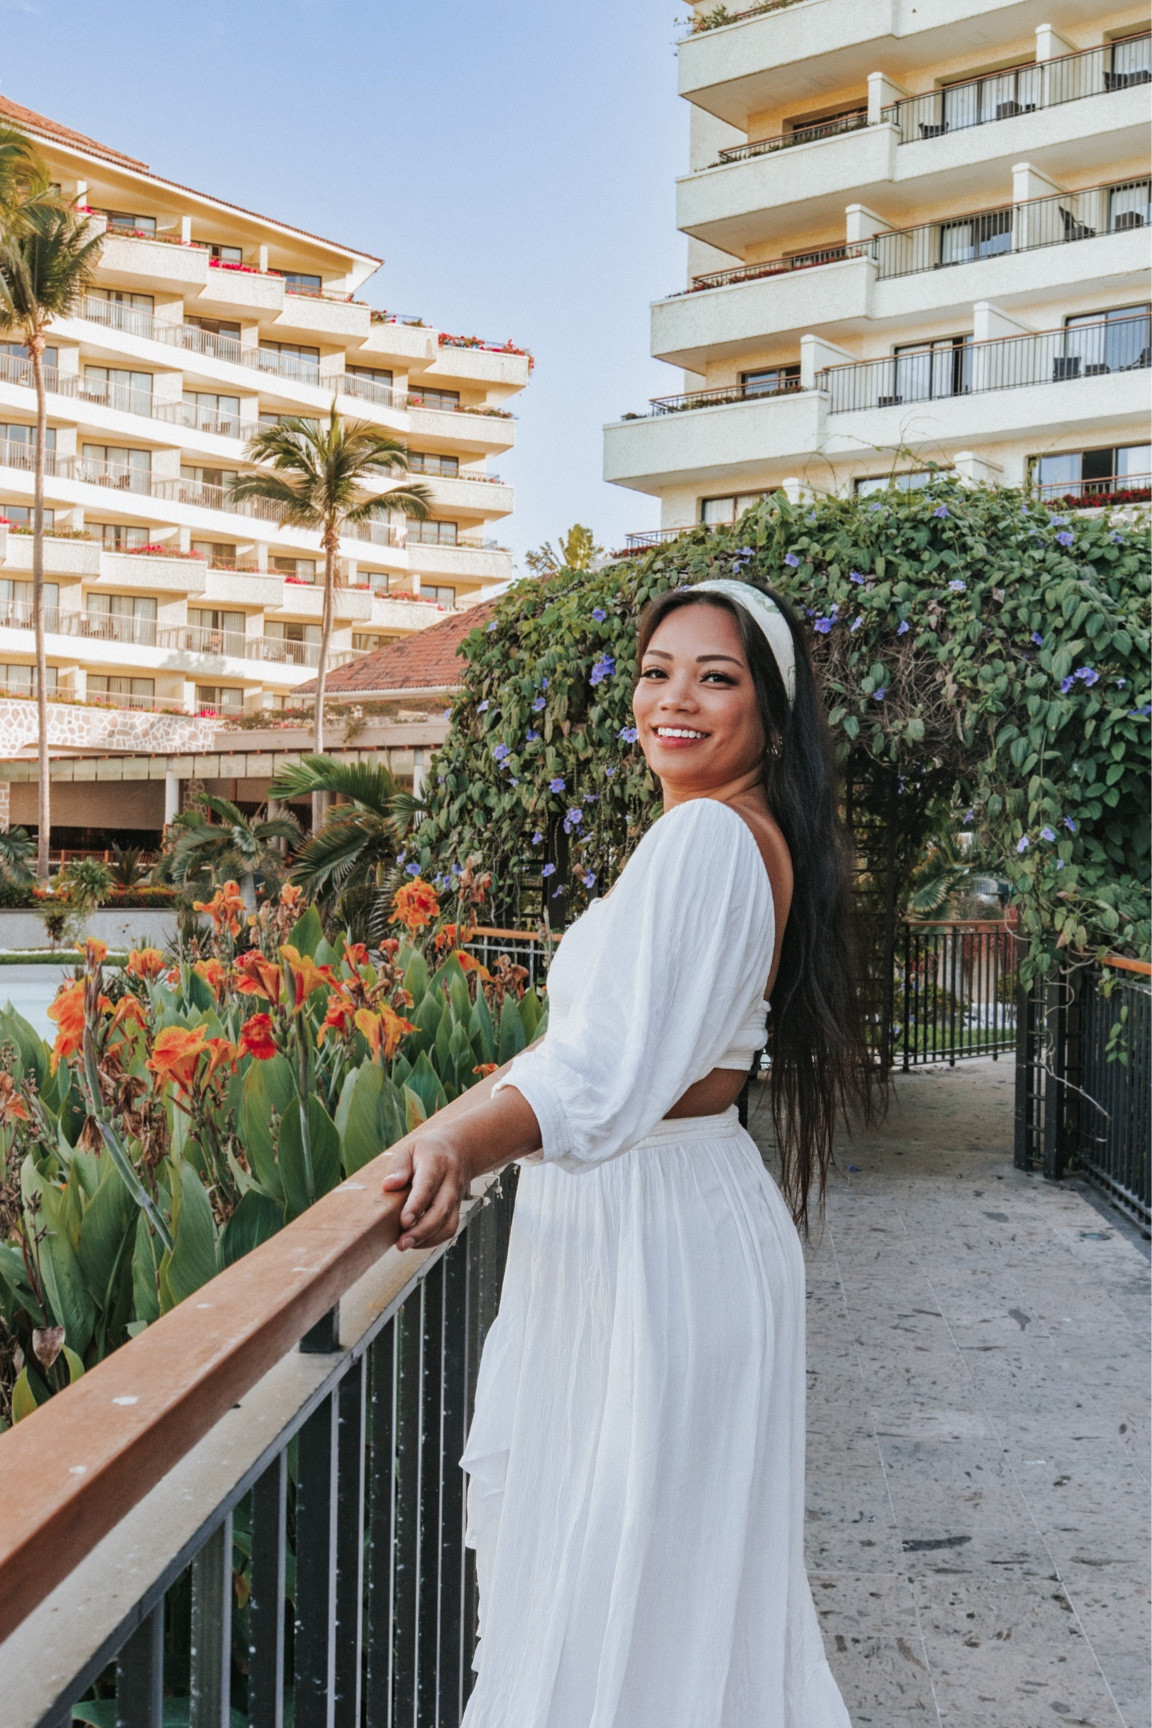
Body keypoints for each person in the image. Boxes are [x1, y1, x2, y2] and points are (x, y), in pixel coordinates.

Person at [382, 575, 874, 1727]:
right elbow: (593, 1049)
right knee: (667, 1609)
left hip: (658, 1247)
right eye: (657, 673)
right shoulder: (728, 838)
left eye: (716, 677)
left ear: (769, 714)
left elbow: (603, 1072)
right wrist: (478, 1110)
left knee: (628, 1606)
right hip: (666, 1229)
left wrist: (459, 1137)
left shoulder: (708, 837)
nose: (674, 699)